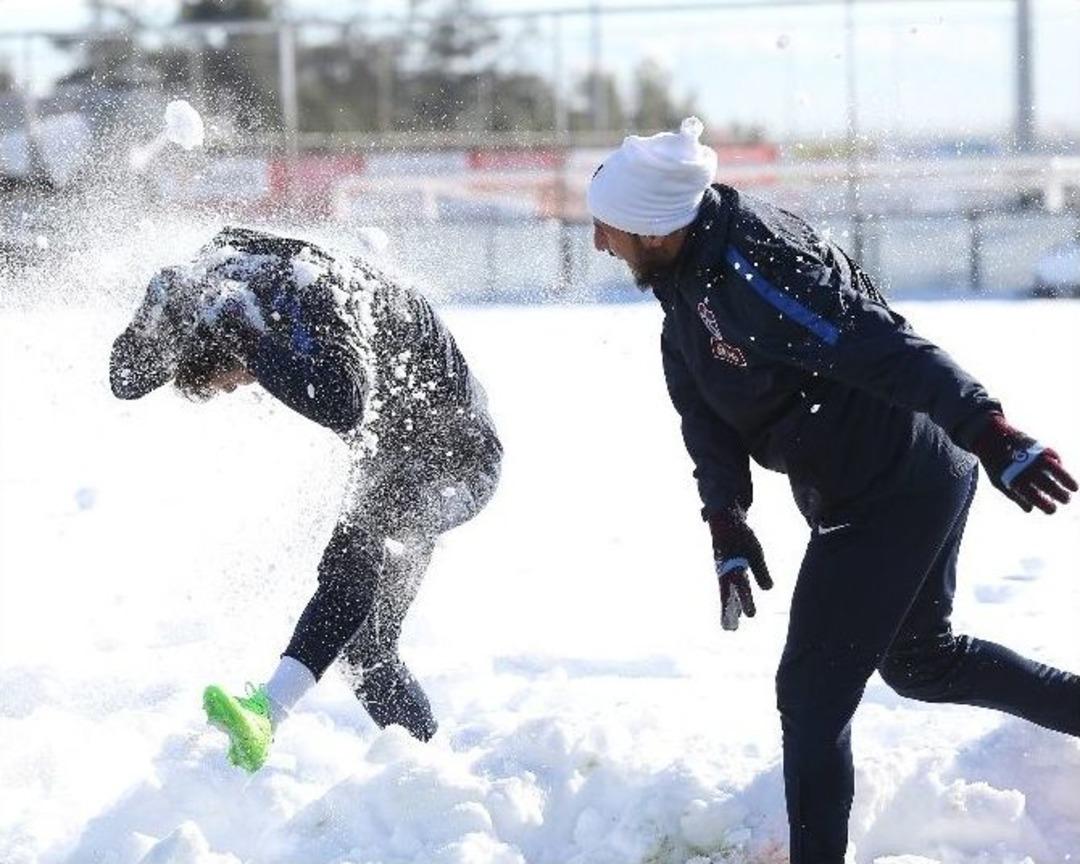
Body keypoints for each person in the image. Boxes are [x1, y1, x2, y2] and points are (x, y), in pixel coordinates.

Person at [586, 118, 1079, 863]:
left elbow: (881, 344)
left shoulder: (758, 270)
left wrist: (989, 429)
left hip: (893, 484)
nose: (599, 243)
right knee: (922, 663)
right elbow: (703, 410)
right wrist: (726, 519)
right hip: (878, 478)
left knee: (810, 698)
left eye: (608, 228)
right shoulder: (686, 278)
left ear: (655, 230)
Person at [110, 226, 502, 772]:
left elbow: (343, 403)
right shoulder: (223, 275)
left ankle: (267, 713)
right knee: (366, 653)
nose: (243, 385)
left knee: (362, 535)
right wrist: (158, 310)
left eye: (236, 378)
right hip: (392, 453)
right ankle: (435, 776)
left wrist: (247, 345)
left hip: (455, 460)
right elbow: (124, 378)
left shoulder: (317, 296)